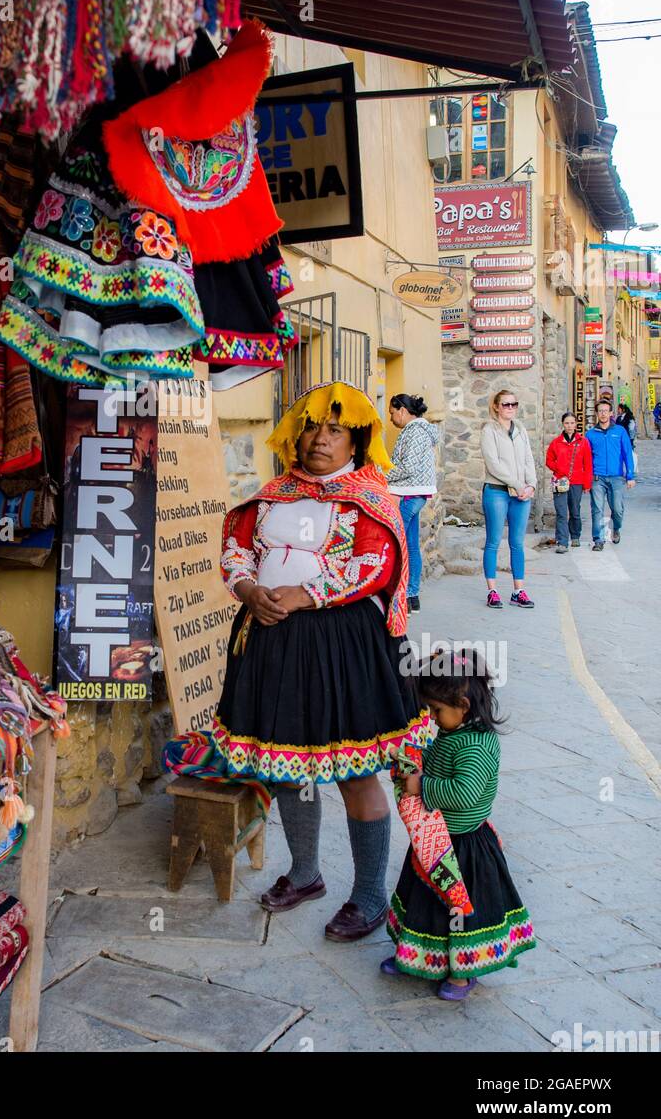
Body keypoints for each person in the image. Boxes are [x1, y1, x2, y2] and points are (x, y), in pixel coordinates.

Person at [215, 380, 431, 941]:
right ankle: (306, 872)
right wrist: (246, 589)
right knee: (287, 766)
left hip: (345, 647)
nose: (320, 439)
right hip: (270, 640)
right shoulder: (271, 495)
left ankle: (368, 895)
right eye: (312, 426)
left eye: (335, 429)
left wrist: (305, 594)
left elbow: (376, 565)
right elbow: (237, 548)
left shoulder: (368, 498)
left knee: (356, 773)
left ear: (357, 441)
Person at [381, 646, 535, 1000]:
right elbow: (438, 756)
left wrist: (421, 785)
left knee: (458, 913)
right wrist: (416, 758)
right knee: (423, 901)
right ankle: (414, 956)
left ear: (463, 706)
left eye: (436, 710)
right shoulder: (456, 734)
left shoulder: (477, 747)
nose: (432, 717)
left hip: (464, 848)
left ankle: (462, 972)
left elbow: (464, 794)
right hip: (436, 840)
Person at [479, 388, 537, 609]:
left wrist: (531, 485)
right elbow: (493, 464)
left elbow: (528, 459)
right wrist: (517, 484)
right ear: (496, 406)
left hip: (521, 493)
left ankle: (518, 590)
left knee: (517, 543)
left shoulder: (520, 429)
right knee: (493, 542)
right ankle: (492, 591)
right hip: (497, 491)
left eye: (514, 404)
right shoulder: (489, 430)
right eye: (506, 404)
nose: (510, 408)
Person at [387, 393, 440, 613]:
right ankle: (411, 596)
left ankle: (403, 595)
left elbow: (407, 468)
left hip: (409, 495)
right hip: (413, 494)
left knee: (399, 547)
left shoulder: (416, 431)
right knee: (410, 546)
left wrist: (381, 475)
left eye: (392, 413)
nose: (391, 419)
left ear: (401, 410)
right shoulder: (417, 430)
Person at [587, 397, 636, 549]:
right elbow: (586, 459)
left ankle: (616, 528)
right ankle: (598, 540)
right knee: (597, 509)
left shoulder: (620, 432)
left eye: (605, 411)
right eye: (600, 411)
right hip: (597, 477)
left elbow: (628, 453)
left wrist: (630, 476)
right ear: (596, 414)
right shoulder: (590, 434)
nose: (603, 414)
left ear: (611, 413)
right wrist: (586, 480)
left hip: (616, 477)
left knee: (618, 509)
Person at [545, 412, 593, 553]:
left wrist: (587, 484)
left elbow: (588, 464)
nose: (570, 426)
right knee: (561, 512)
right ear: (563, 424)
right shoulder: (556, 443)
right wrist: (558, 469)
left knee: (575, 511)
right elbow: (549, 460)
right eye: (567, 423)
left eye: (572, 423)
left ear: (576, 424)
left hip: (577, 481)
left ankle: (575, 535)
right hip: (560, 482)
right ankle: (562, 542)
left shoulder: (583, 442)